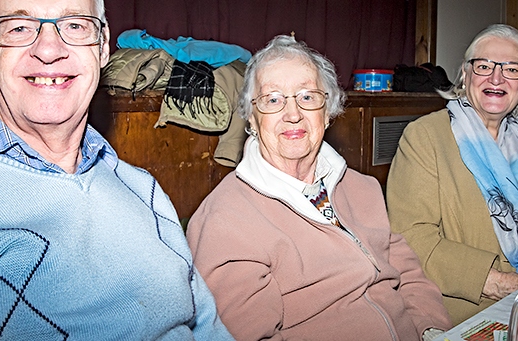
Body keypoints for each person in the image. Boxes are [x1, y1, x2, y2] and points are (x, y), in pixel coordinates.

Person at [0, 0, 233, 340]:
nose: (48, 49)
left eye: (75, 25)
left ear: (101, 46)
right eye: (19, 27)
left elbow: (208, 328)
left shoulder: (142, 189)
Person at [186, 34, 452, 340]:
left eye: (308, 96)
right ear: (252, 118)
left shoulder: (362, 188)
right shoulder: (226, 220)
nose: (293, 114)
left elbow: (408, 274)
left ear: (327, 113)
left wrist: (431, 329)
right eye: (272, 99)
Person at [387, 24, 518, 325]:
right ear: (465, 75)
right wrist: (510, 285)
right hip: (474, 314)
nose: (496, 78)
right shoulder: (425, 137)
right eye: (484, 66)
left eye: (512, 69)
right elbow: (412, 240)